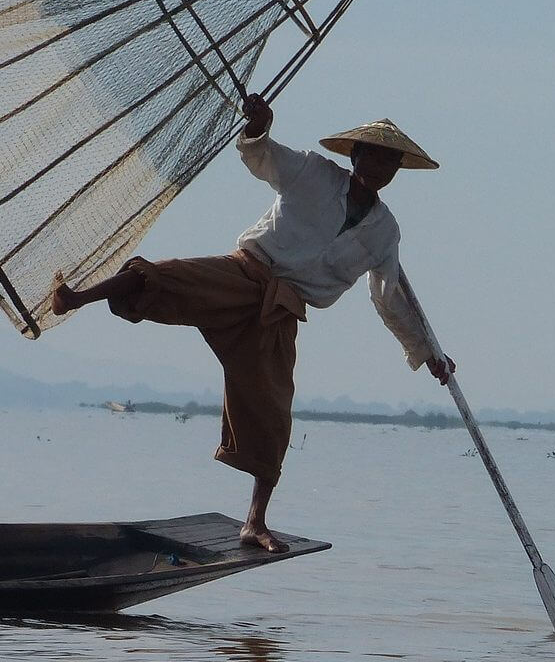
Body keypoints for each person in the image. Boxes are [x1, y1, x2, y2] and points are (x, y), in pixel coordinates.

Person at [52, 94, 454, 552]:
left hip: (283, 310)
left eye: (389, 162)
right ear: (356, 155)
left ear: (395, 171)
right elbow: (261, 157)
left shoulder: (385, 231)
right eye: (372, 155)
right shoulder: (314, 173)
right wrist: (259, 128)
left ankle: (254, 522)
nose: (379, 167)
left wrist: (428, 353)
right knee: (164, 278)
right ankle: (77, 297)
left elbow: (390, 297)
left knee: (273, 413)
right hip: (245, 272)